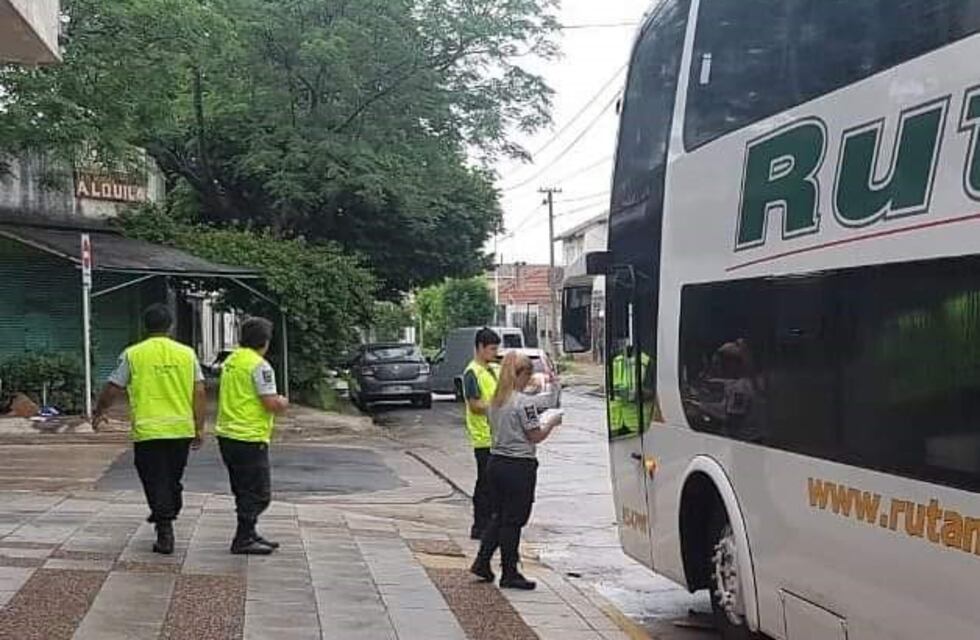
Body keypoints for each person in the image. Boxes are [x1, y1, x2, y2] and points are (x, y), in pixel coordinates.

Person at [93, 303, 206, 555]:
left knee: (154, 479)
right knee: (172, 477)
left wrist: (100, 410)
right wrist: (199, 426)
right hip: (180, 429)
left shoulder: (133, 354)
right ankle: (168, 509)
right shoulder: (187, 354)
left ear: (144, 326)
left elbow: (113, 387)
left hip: (148, 430)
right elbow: (199, 391)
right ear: (170, 326)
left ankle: (164, 524)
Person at [470, 352, 562, 591]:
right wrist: (551, 423)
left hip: (496, 462)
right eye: (528, 375)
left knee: (499, 516)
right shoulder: (524, 403)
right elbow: (535, 435)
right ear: (520, 375)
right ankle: (509, 572)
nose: (529, 380)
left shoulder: (495, 401)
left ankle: (482, 561)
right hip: (518, 466)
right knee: (513, 521)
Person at [215, 317, 290, 555]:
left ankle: (249, 531)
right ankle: (243, 537)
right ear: (265, 341)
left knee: (243, 489)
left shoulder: (232, 360)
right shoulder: (260, 366)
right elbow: (270, 403)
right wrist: (282, 402)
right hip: (249, 436)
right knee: (259, 493)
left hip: (227, 434)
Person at [462, 327, 501, 540]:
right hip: (483, 438)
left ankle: (490, 523)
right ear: (480, 347)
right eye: (492, 349)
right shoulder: (472, 372)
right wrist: (497, 405)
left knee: (493, 485)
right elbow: (475, 405)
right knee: (484, 484)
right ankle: (480, 525)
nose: (495, 353)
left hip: (497, 436)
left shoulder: (492, 369)